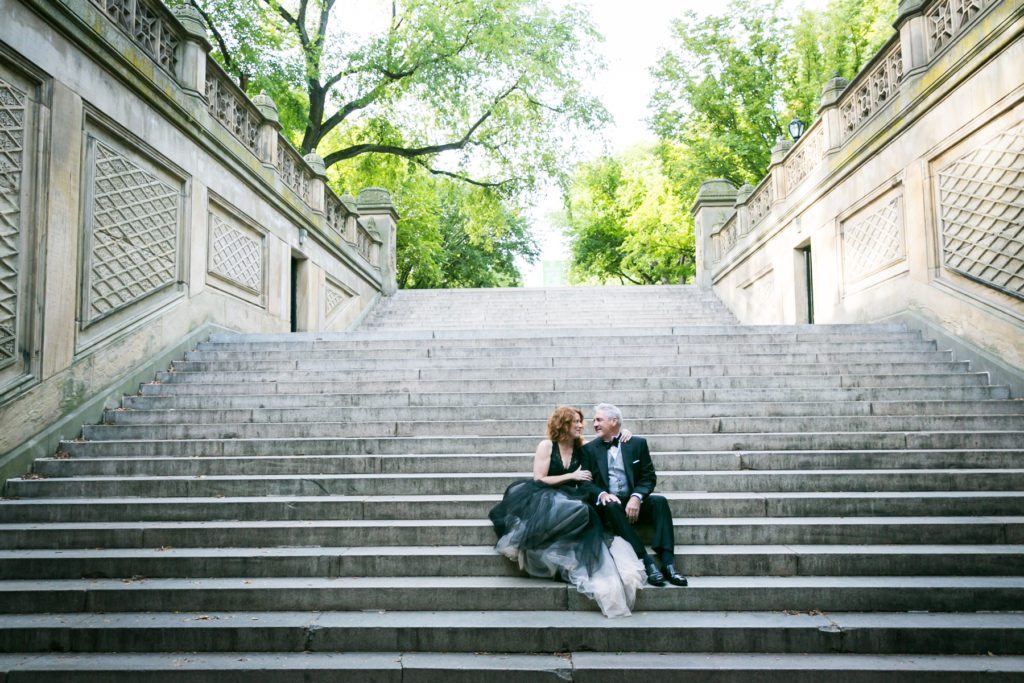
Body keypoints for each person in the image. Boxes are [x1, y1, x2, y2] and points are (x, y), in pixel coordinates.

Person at [488, 406, 647, 617]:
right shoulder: (547, 446)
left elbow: (606, 443)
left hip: (572, 497)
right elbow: (539, 478)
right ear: (563, 424)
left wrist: (625, 433)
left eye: (581, 421)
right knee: (565, 506)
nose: (581, 425)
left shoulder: (582, 449)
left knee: (582, 510)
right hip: (544, 494)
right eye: (576, 421)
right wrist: (571, 476)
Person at [581, 403, 688, 587]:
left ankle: (669, 564)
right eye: (594, 421)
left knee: (660, 502)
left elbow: (648, 477)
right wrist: (603, 494)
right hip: (609, 507)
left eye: (599, 420)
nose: (594, 424)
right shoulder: (589, 449)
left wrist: (636, 496)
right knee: (610, 504)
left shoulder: (637, 444)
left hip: (632, 501)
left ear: (613, 421)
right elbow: (584, 482)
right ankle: (646, 561)